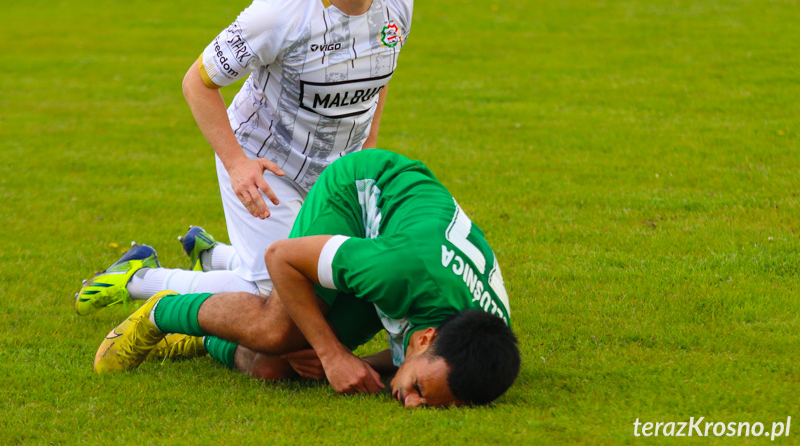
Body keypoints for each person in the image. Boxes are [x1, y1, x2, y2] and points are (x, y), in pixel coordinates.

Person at [74, 0, 414, 315]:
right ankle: (142, 277)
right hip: (264, 165)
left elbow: (380, 75)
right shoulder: (277, 15)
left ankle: (217, 257)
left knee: (336, 280)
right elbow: (197, 83)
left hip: (336, 171)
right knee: (279, 299)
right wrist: (238, 164)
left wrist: (369, 147)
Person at [93, 150, 521, 408]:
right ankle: (160, 311)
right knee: (277, 329)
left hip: (391, 252)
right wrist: (332, 352)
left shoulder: (481, 344)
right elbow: (281, 258)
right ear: (426, 339)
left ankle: (205, 337)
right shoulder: (399, 274)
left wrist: (351, 363)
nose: (411, 404)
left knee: (273, 368)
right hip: (359, 193)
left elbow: (410, 355)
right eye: (421, 392)